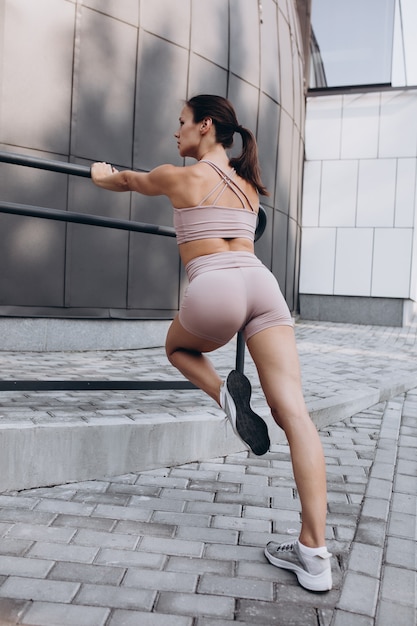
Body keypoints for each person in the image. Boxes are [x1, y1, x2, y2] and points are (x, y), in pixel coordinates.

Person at [91, 94, 332, 592]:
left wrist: (99, 173)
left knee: (178, 348)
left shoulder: (180, 176)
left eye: (180, 123)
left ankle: (226, 398)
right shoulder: (250, 189)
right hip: (262, 287)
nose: (174, 133)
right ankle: (314, 553)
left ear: (205, 127)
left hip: (215, 286)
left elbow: (126, 181)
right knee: (296, 414)